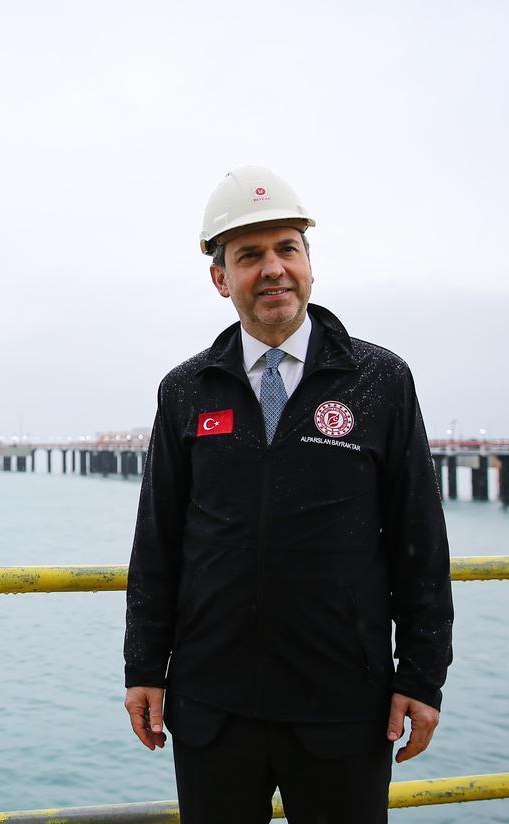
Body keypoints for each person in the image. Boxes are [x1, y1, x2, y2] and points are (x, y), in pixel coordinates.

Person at [123, 165, 454, 823]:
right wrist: (143, 666)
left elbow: (419, 535)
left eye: (287, 249)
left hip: (343, 705)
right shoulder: (186, 391)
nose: (273, 268)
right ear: (221, 278)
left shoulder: (379, 380)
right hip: (212, 707)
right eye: (250, 255)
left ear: (310, 263)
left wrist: (420, 676)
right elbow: (158, 541)